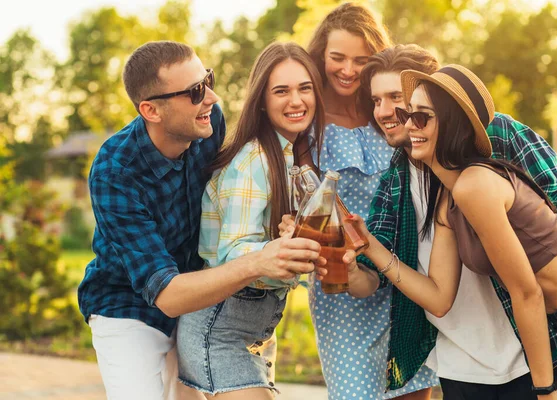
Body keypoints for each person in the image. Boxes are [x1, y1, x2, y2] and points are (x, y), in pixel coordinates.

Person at [78, 41, 322, 400]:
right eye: (195, 92)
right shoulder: (115, 171)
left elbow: (232, 197)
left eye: (207, 80)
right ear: (151, 110)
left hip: (206, 297)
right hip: (130, 305)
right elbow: (167, 295)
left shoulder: (208, 121)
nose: (211, 96)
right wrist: (260, 259)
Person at [345, 64, 557, 400]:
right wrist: (367, 243)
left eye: (422, 117)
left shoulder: (474, 186)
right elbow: (438, 297)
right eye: (409, 115)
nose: (408, 124)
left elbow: (526, 293)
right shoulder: (448, 199)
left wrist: (544, 389)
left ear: (451, 125)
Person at [176, 42, 326, 400]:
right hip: (221, 328)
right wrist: (280, 251)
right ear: (261, 99)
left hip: (257, 331)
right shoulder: (254, 160)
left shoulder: (294, 156)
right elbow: (233, 255)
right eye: (282, 91)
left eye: (305, 88)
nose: (296, 101)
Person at [302, 4, 438, 399]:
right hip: (346, 280)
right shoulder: (307, 120)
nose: (348, 70)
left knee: (415, 386)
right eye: (337, 58)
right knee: (356, 391)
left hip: (411, 270)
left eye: (361, 61)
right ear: (320, 57)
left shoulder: (386, 109)